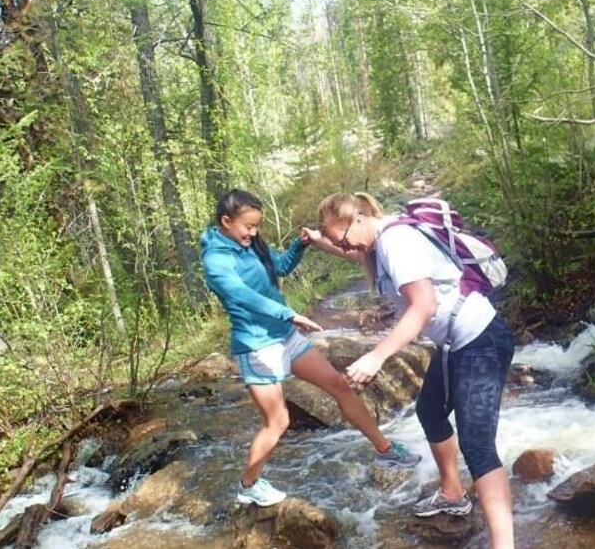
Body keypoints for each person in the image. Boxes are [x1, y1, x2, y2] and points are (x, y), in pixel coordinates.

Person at [315, 192, 515, 549]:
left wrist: (377, 356)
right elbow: (354, 250)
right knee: (430, 411)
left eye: (340, 237)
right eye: (335, 241)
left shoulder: (397, 242)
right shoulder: (378, 241)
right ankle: (453, 493)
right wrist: (320, 242)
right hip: (456, 342)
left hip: (480, 339)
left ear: (358, 218)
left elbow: (423, 306)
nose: (342, 245)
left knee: (478, 445)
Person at [200, 189, 420, 508]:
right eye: (248, 226)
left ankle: (386, 450)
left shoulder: (252, 245)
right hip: (257, 347)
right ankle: (249, 485)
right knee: (278, 422)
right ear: (226, 221)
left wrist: (300, 245)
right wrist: (288, 313)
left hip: (286, 337)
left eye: (257, 226)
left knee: (340, 386)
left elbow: (281, 267)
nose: (254, 232)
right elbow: (240, 295)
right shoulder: (216, 259)